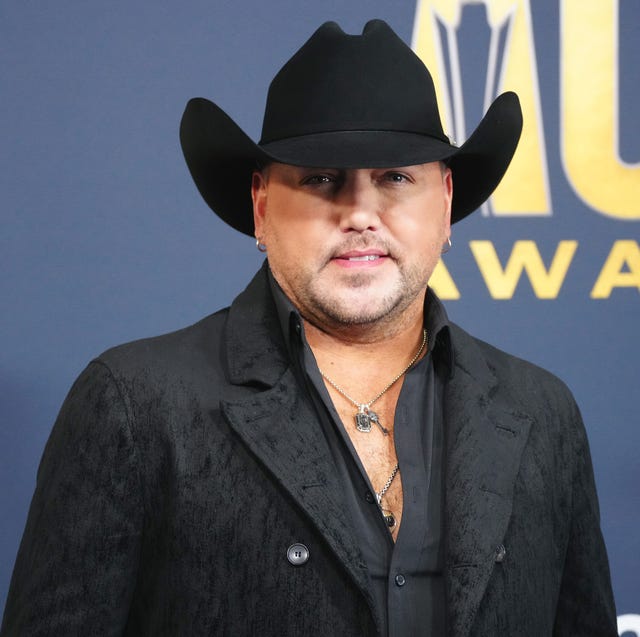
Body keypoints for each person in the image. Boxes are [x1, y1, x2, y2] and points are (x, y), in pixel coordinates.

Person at [1, 19, 617, 637]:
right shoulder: (134, 406)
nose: (359, 214)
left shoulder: (542, 411)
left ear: (447, 203)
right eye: (321, 178)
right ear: (262, 206)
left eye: (396, 177)